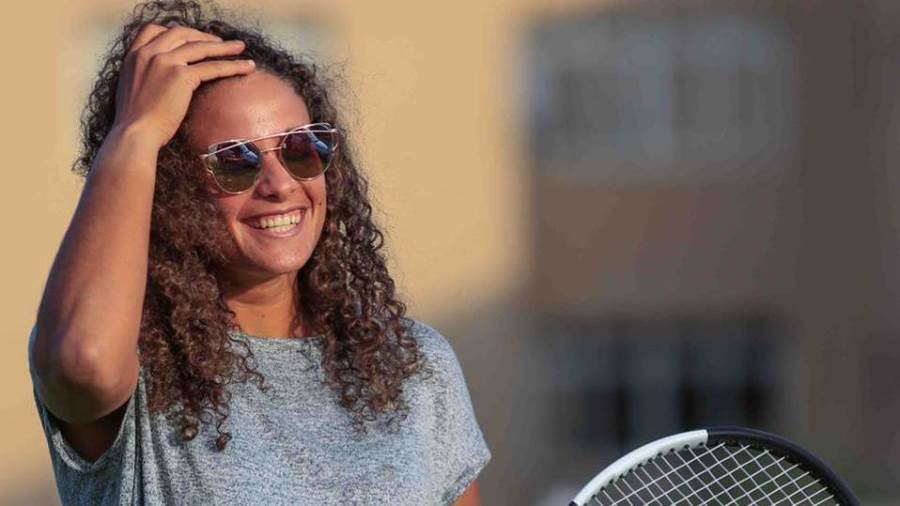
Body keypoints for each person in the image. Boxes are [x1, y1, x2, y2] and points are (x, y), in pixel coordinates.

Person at [26, 1, 490, 504]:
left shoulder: (412, 363)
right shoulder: (142, 371)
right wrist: (135, 132)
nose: (280, 184)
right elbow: (85, 361)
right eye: (235, 161)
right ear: (168, 190)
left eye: (301, 149)